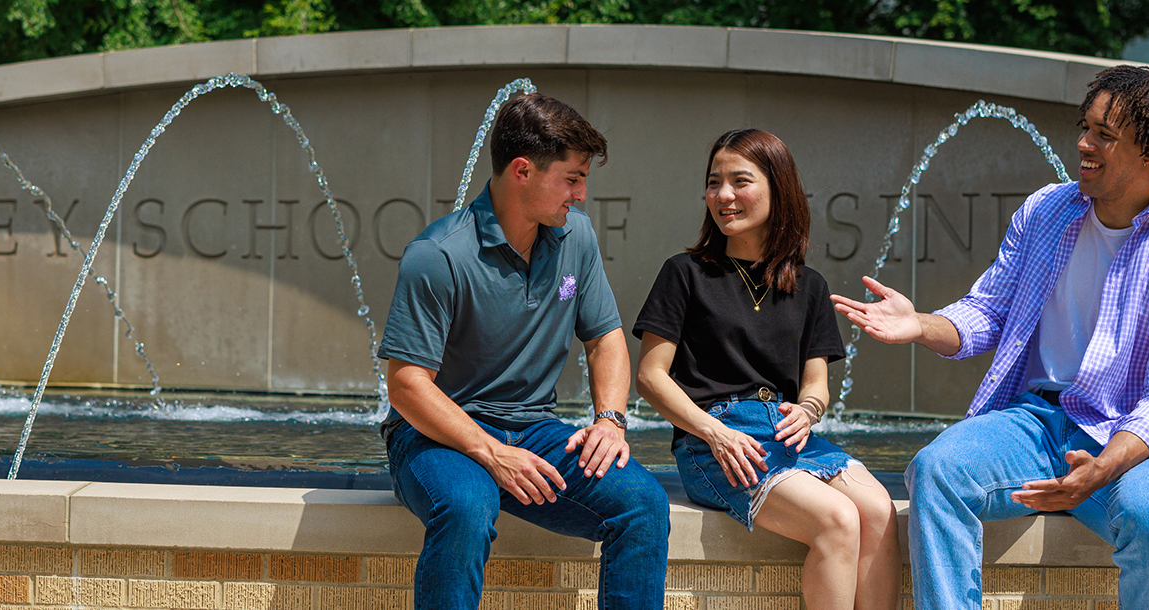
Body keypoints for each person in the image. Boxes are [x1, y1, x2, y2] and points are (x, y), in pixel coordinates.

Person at [832, 65, 1149, 610]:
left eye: (1105, 136)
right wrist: (918, 324)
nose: (1084, 144)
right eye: (1085, 127)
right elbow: (988, 312)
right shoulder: (1047, 210)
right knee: (937, 470)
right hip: (1034, 422)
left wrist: (1104, 467)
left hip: (1129, 439)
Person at [378, 93, 669, 609]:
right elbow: (405, 386)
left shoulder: (574, 236)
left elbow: (605, 338)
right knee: (468, 505)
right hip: (436, 435)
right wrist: (489, 453)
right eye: (572, 178)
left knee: (643, 503)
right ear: (522, 171)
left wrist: (609, 420)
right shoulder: (438, 255)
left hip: (535, 430)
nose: (580, 195)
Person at [635, 129, 900, 610]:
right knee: (837, 519)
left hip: (784, 432)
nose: (724, 195)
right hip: (714, 441)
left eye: (740, 181)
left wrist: (809, 410)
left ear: (779, 190)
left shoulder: (809, 286)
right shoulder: (685, 273)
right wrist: (714, 433)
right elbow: (651, 378)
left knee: (880, 510)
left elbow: (815, 383)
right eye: (714, 182)